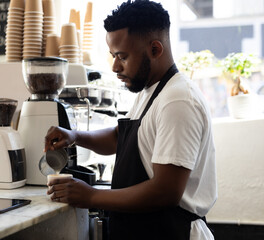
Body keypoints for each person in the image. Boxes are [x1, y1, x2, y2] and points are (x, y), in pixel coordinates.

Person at [45, 0, 217, 239]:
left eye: (122, 57)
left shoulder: (178, 100)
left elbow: (165, 192)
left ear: (155, 50)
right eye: (113, 55)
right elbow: (120, 137)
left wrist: (90, 195)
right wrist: (74, 137)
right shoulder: (150, 91)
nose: (115, 66)